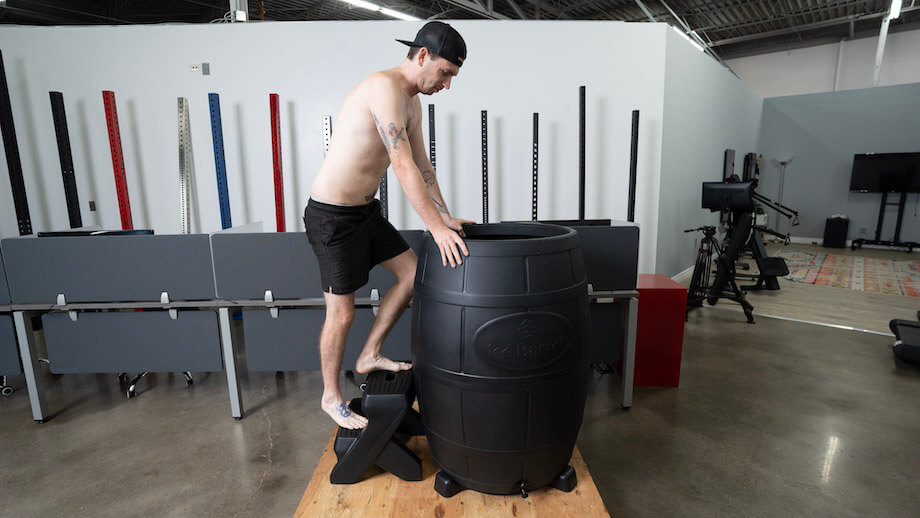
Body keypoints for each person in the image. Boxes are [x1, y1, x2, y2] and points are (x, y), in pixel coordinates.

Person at [304, 21, 474, 429]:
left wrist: (444, 216)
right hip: (331, 217)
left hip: (364, 213)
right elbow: (400, 166)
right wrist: (435, 229)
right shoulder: (383, 88)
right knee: (341, 314)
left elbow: (422, 166)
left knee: (413, 274)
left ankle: (369, 354)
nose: (447, 85)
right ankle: (330, 397)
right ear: (422, 56)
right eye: (446, 73)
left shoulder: (411, 102)